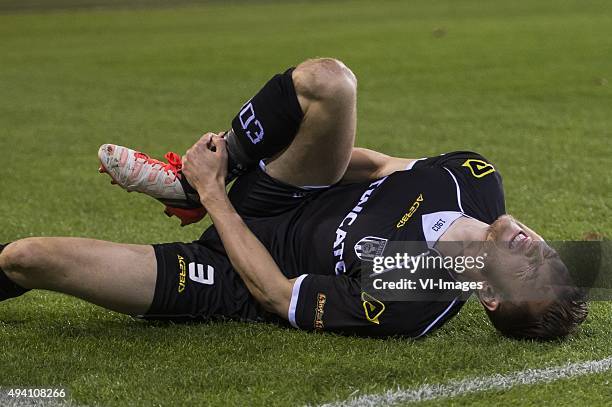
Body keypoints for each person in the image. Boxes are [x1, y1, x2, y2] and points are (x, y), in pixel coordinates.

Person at [0, 58, 587, 339]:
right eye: (550, 255)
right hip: (284, 193)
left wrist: (216, 199)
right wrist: (239, 170)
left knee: (26, 258)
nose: (536, 247)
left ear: (484, 291)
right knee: (331, 82)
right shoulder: (476, 179)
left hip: (233, 271)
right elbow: (379, 164)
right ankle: (196, 175)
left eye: (528, 269)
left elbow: (278, 295)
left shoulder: (410, 295)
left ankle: (195, 185)